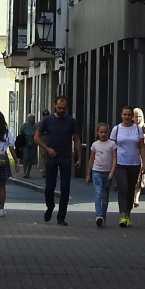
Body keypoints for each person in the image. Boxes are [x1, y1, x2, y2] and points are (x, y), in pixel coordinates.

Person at [34, 95, 82, 226]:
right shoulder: (47, 120)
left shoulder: (71, 121)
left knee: (65, 188)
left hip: (66, 157)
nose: (61, 110)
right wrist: (46, 148)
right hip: (51, 157)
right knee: (49, 187)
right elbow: (36, 137)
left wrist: (79, 157)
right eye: (59, 108)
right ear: (55, 106)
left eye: (64, 108)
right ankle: (50, 206)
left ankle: (61, 217)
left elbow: (76, 139)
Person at [110, 106, 145, 227]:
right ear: (121, 115)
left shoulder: (137, 129)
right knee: (123, 189)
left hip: (134, 163)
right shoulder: (116, 129)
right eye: (125, 114)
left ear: (132, 116)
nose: (127, 117)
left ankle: (128, 214)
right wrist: (112, 163)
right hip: (120, 163)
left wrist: (144, 163)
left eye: (129, 115)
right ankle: (122, 216)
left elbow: (141, 146)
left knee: (130, 190)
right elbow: (112, 147)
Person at [84, 122, 116, 227]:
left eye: (105, 132)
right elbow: (91, 159)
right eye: (101, 132)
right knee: (98, 193)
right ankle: (98, 216)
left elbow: (115, 159)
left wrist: (112, 172)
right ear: (97, 132)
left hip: (107, 173)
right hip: (96, 172)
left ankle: (103, 216)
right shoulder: (95, 145)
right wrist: (88, 174)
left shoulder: (112, 144)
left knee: (105, 195)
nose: (103, 134)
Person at [132, 106, 145, 207]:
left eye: (139, 116)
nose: (138, 118)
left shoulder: (144, 126)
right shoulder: (130, 127)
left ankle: (136, 198)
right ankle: (132, 197)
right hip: (132, 152)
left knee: (140, 175)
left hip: (141, 153)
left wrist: (144, 135)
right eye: (136, 116)